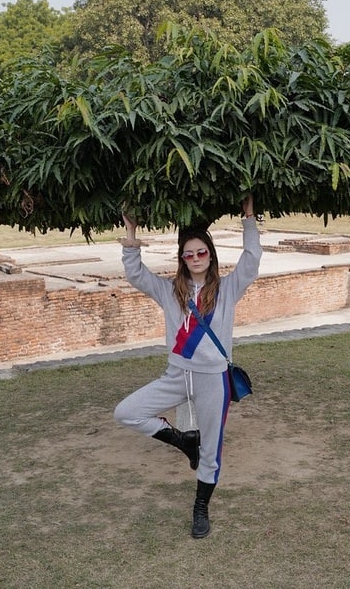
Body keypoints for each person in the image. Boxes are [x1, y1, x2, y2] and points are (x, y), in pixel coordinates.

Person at [114, 196, 262, 538]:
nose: (196, 259)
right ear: (182, 258)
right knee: (127, 412)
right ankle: (184, 442)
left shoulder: (227, 289)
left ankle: (200, 508)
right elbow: (136, 274)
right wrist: (131, 233)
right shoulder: (170, 291)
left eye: (202, 252)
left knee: (212, 448)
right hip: (176, 375)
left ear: (210, 254)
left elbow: (251, 261)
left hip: (214, 380)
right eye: (189, 254)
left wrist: (249, 218)